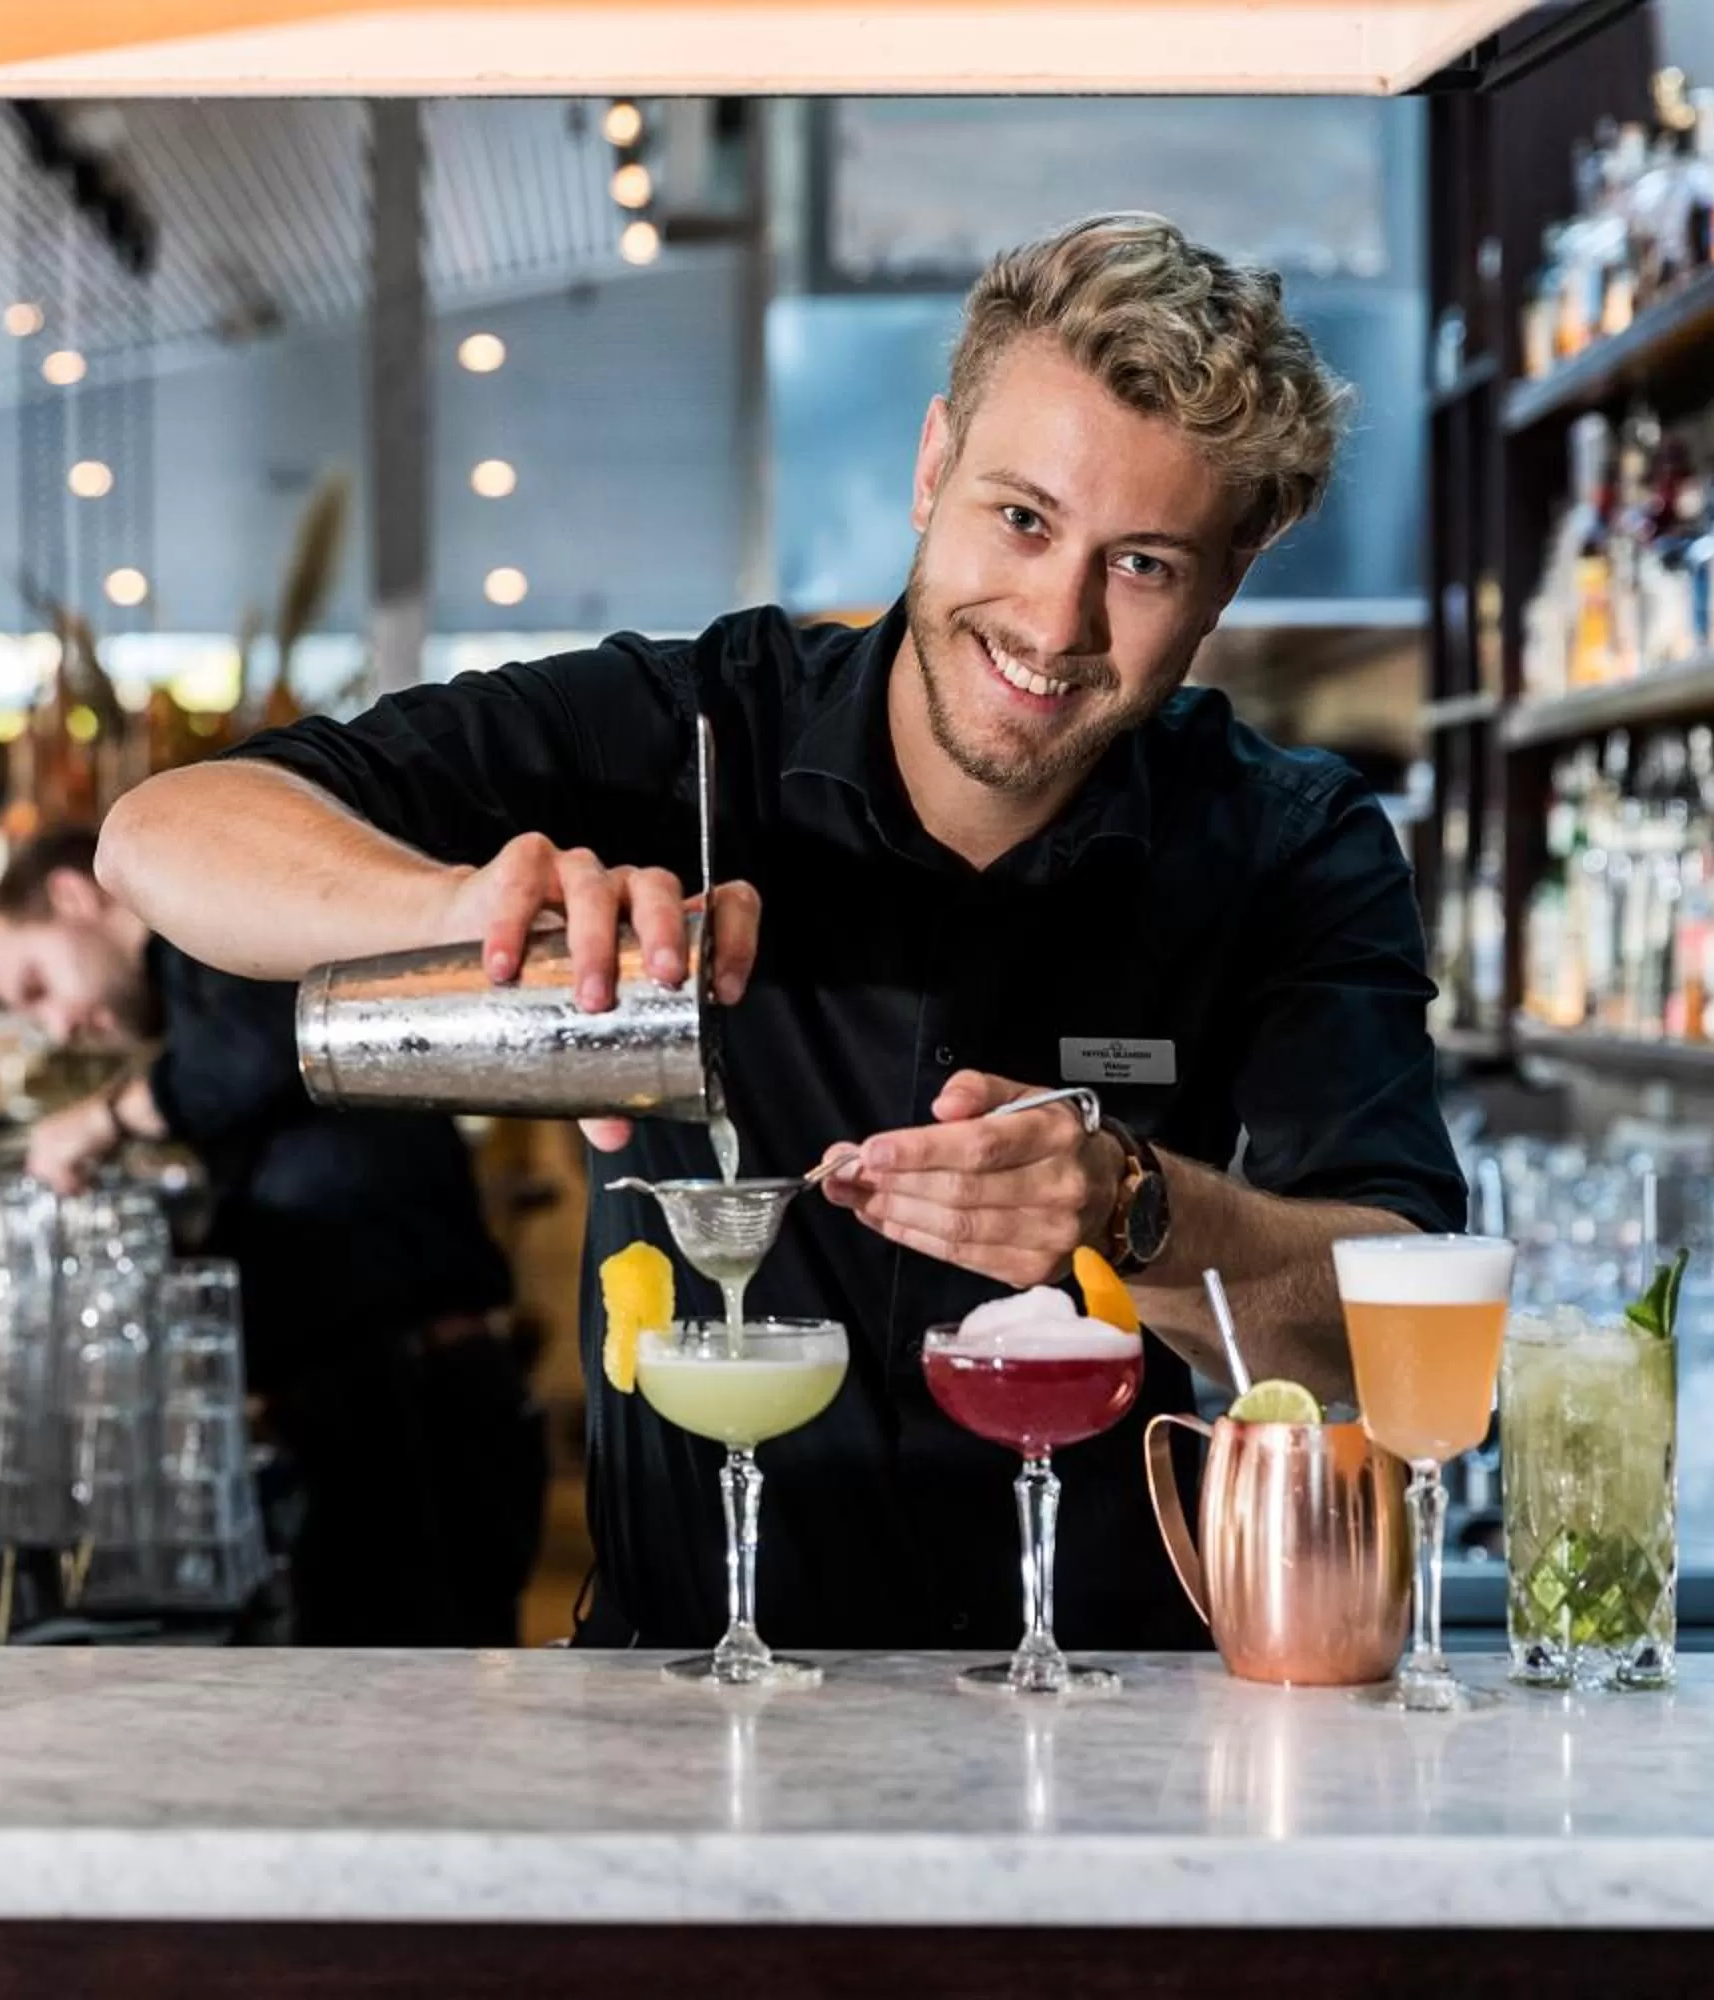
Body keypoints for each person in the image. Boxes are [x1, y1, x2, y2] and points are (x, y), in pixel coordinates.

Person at [96, 212, 1467, 1657]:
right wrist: (469, 908)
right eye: (1021, 517)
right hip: (684, 1703)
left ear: (1227, 580)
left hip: (1114, 1720)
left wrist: (1138, 1208)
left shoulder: (1288, 844)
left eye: (1141, 565)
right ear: (934, 463)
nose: (1053, 620)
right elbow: (163, 837)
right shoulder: (676, 731)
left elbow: (1393, 1324)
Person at [0, 827, 542, 1646]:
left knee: (419, 1719)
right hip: (377, 1393)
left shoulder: (214, 919)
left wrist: (101, 1120)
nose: (58, 1026)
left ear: (74, 896)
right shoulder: (192, 979)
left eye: (36, 985)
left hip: (415, 1402)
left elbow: (262, 1048)